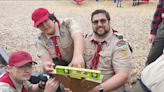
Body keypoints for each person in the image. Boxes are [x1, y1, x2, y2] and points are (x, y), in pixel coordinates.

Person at [65, 9, 132, 92]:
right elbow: (76, 65)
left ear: (109, 22)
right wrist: (71, 83)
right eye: (96, 22)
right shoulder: (86, 41)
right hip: (87, 84)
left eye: (103, 21)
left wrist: (98, 89)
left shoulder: (120, 43)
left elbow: (122, 76)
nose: (99, 24)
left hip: (111, 87)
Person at [31, 8, 84, 74]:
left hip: (80, 57)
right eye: (40, 24)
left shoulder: (67, 23)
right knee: (45, 72)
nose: (44, 25)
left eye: (46, 20)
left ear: (52, 19)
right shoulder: (40, 40)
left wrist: (78, 56)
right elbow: (46, 60)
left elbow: (78, 36)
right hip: (61, 62)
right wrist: (47, 65)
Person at [146, 0, 164, 66]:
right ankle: (145, 74)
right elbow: (158, 11)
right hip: (163, 28)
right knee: (153, 55)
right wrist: (152, 32)